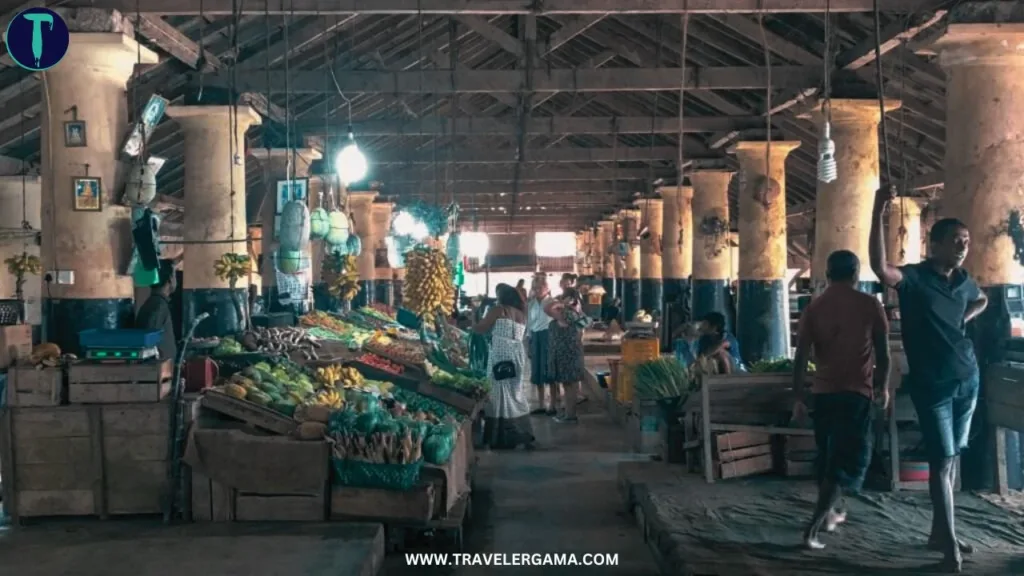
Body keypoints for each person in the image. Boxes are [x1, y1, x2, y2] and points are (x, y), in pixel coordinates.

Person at [869, 186, 987, 572]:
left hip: (967, 379)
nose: (962, 246)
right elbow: (878, 267)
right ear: (933, 244)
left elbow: (982, 299)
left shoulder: (964, 280)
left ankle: (942, 531)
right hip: (932, 384)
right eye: (955, 240)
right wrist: (878, 210)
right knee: (941, 461)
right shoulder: (915, 279)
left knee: (951, 461)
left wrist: (960, 321)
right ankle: (949, 542)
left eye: (966, 241)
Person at [791, 250, 891, 551]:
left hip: (823, 395)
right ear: (856, 273)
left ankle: (831, 512)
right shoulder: (870, 304)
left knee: (828, 457)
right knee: (845, 462)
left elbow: (800, 358)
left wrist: (798, 396)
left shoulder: (815, 307)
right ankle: (812, 529)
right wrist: (882, 388)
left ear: (828, 273)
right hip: (855, 394)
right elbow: (883, 355)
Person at [475, 283, 535, 450]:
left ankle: (498, 436)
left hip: (500, 355)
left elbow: (480, 328)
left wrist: (477, 312)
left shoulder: (499, 310)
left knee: (496, 393)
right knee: (515, 393)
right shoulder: (522, 313)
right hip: (516, 355)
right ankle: (520, 432)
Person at [544, 288, 587, 423]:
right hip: (570, 352)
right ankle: (569, 413)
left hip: (567, 353)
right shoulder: (577, 314)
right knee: (568, 385)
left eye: (563, 297)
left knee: (570, 385)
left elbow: (547, 308)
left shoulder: (567, 314)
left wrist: (562, 304)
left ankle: (571, 415)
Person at [526, 273, 557, 415]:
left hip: (548, 336)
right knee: (537, 371)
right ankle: (541, 404)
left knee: (550, 371)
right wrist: (528, 341)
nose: (537, 290)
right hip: (535, 336)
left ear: (546, 288)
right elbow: (529, 324)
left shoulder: (553, 303)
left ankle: (553, 405)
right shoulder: (531, 304)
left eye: (540, 288)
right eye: (534, 288)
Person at [135, 259, 177, 361]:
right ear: (170, 280)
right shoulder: (158, 306)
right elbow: (150, 343)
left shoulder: (155, 303)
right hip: (156, 371)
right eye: (175, 276)